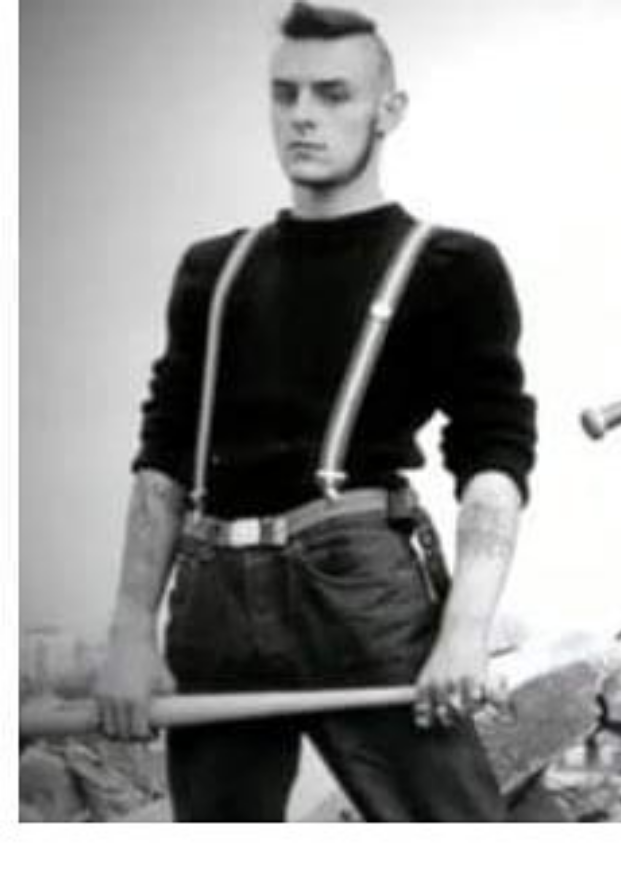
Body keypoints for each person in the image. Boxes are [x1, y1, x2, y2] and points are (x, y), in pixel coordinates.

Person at [95, 3, 535, 821]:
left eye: (334, 94)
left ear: (389, 110)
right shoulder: (213, 272)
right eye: (285, 94)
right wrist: (129, 630)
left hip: (359, 588)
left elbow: (494, 455)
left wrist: (465, 629)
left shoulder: (451, 266)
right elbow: (161, 457)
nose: (303, 116)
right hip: (215, 594)